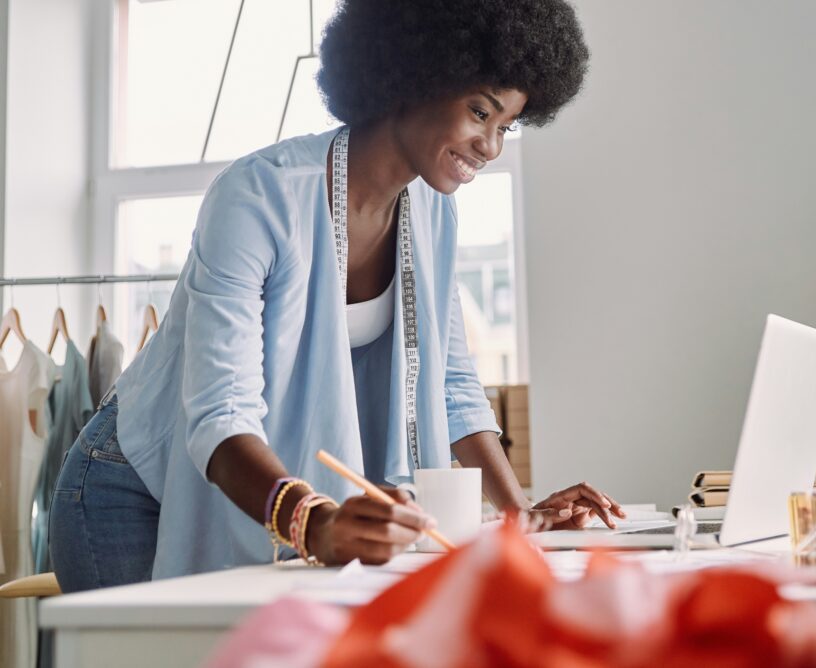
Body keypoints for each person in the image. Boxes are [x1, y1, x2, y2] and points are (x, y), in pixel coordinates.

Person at [50, 0, 624, 593]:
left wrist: (518, 514)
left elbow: (451, 382)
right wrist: (316, 523)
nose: (491, 146)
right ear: (415, 77)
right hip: (131, 484)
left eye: (505, 126)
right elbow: (221, 413)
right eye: (480, 112)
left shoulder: (434, 213)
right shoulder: (258, 197)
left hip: (267, 494)